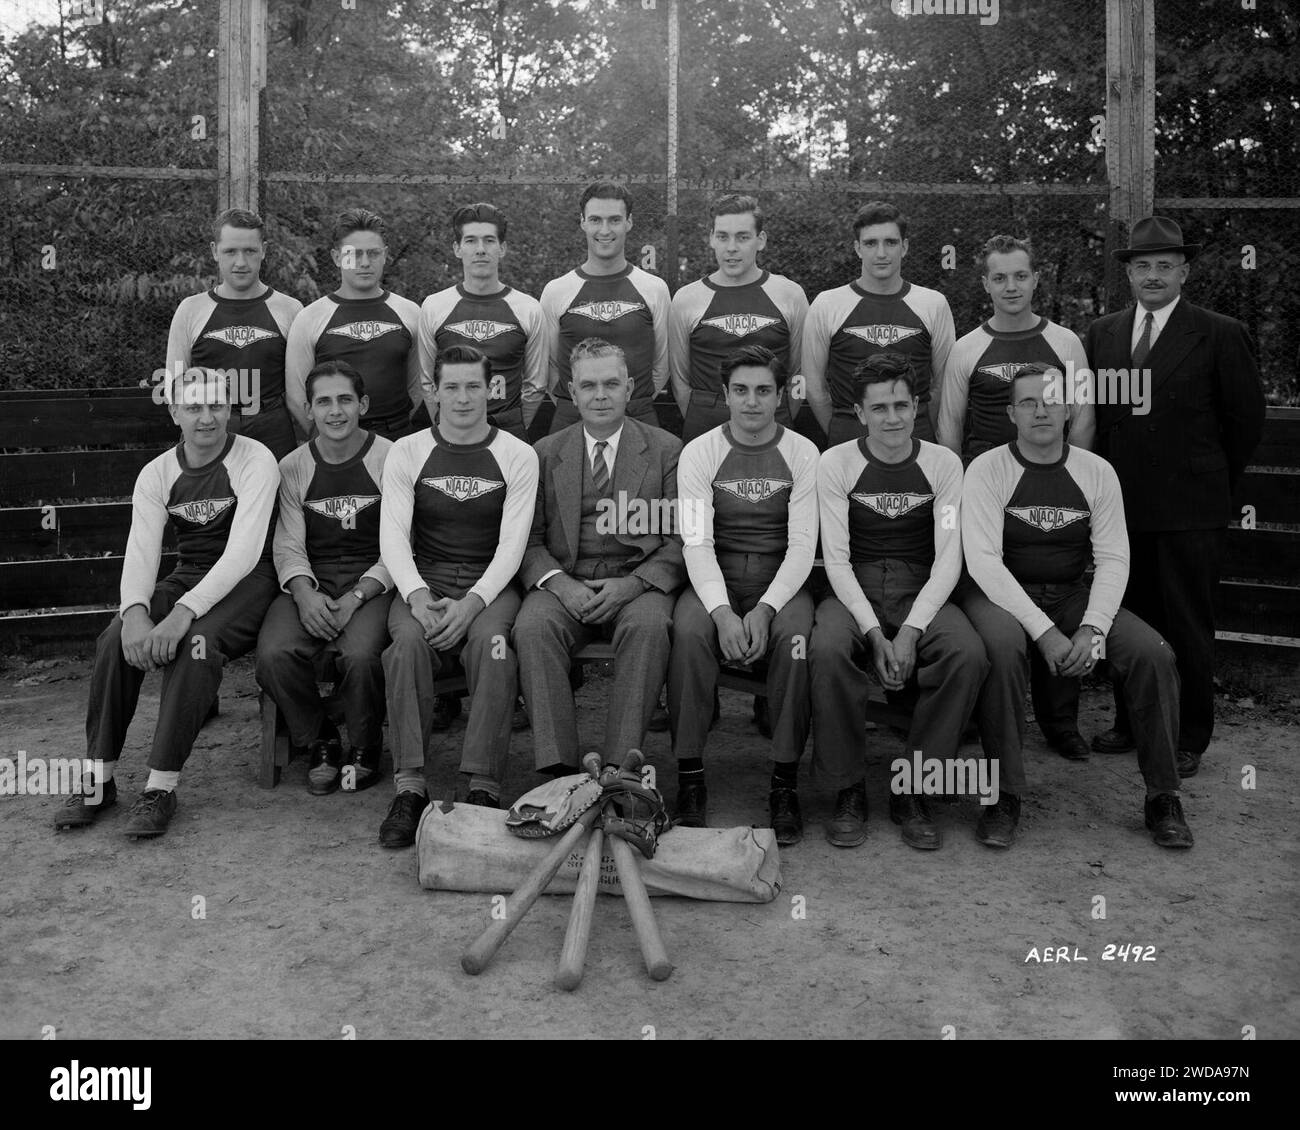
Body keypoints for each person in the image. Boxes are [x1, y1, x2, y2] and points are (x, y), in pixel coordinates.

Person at [960, 364, 1192, 850]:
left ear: (1069, 409)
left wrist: (1092, 629)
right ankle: (1004, 795)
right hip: (1001, 595)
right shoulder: (987, 468)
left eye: (1050, 400)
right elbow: (983, 561)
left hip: (1069, 594)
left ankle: (1163, 795)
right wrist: (1043, 632)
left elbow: (1112, 557)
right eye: (1027, 402)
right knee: (1001, 652)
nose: (1040, 410)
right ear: (1010, 413)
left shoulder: (1096, 471)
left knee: (1153, 653)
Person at [55, 367, 279, 838]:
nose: (207, 417)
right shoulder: (156, 473)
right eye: (194, 407)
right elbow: (142, 551)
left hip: (250, 581)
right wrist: (135, 613)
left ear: (230, 409)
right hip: (191, 576)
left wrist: (182, 614)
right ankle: (98, 778)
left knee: (196, 644)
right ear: (175, 412)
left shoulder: (255, 459)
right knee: (116, 638)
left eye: (217, 405)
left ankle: (160, 786)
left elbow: (242, 554)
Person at [1085, 217, 1266, 777]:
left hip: (1190, 510)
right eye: (1143, 266)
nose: (1154, 275)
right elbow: (1100, 421)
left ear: (1184, 271)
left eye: (1165, 265)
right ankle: (1130, 721)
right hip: (1123, 511)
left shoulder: (1218, 332)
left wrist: (1206, 483)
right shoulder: (1105, 333)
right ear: (1129, 275)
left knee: (1186, 622)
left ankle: (1188, 735)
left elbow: (1244, 423)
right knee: (1128, 621)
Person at [810, 353, 985, 850]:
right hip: (854, 586)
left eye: (902, 406)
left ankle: (917, 785)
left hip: (921, 585)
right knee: (824, 650)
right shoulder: (836, 462)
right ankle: (846, 787)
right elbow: (836, 560)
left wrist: (909, 631)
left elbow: (950, 557)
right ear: (860, 414)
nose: (893, 418)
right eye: (880, 408)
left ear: (916, 409)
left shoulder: (943, 464)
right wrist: (871, 632)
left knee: (967, 654)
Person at [938, 233, 1095, 762]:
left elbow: (1085, 419)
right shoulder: (967, 347)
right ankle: (986, 717)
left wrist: (1070, 479)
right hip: (988, 487)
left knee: (1060, 586)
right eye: (999, 277)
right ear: (985, 283)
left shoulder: (1066, 343)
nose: (1011, 286)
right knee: (994, 599)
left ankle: (1059, 721)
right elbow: (948, 429)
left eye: (1020, 276)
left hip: (1051, 479)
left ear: (1035, 279)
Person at [375, 345, 539, 848]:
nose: (463, 397)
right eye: (452, 386)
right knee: (405, 647)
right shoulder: (407, 451)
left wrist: (473, 604)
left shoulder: (517, 454)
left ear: (492, 389)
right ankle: (410, 786)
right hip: (422, 577)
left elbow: (513, 546)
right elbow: (393, 537)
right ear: (434, 391)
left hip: (489, 584)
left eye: (474, 386)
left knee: (493, 649)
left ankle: (483, 787)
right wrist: (418, 596)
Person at [668, 345, 818, 844]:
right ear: (725, 395)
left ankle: (784, 782)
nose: (751, 402)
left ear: (780, 396)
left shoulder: (801, 453)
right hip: (717, 573)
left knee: (796, 642)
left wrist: (768, 609)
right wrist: (724, 614)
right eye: (740, 391)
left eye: (762, 391)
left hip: (781, 577)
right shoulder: (701, 451)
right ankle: (689, 776)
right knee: (688, 633)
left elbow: (802, 545)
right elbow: (697, 539)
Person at [514, 338, 685, 772]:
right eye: (588, 386)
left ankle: (618, 768)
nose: (601, 395)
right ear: (572, 393)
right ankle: (559, 770)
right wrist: (559, 584)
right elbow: (528, 540)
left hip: (638, 582)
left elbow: (686, 538)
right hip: (565, 581)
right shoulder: (544, 454)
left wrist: (634, 584)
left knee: (650, 626)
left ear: (630, 388)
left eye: (611, 384)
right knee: (532, 626)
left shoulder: (668, 450)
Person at [255, 361, 394, 796]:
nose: (336, 411)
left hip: (372, 579)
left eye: (345, 400)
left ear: (363, 405)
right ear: (309, 410)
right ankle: (321, 740)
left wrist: (357, 595)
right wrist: (303, 593)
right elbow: (288, 544)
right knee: (274, 653)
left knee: (360, 656)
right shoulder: (293, 466)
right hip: (313, 578)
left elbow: (401, 544)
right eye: (324, 402)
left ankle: (366, 747)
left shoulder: (391, 457)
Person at [803, 201, 955, 447]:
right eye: (871, 243)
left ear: (904, 247)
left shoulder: (933, 304)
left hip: (916, 436)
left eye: (891, 242)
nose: (881, 253)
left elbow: (942, 386)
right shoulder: (827, 304)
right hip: (849, 437)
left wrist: (917, 423)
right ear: (857, 248)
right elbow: (814, 388)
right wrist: (845, 429)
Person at [668, 194, 809, 443]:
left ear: (760, 240)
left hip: (773, 415)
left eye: (742, 237)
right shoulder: (686, 299)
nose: (731, 247)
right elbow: (680, 379)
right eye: (723, 237)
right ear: (711, 238)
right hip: (706, 418)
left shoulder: (790, 294)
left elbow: (799, 371)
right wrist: (701, 412)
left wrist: (786, 411)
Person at [165, 209, 303, 459]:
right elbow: (174, 385)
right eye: (230, 251)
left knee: (272, 498)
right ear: (214, 251)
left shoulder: (290, 309)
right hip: (210, 423)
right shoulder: (190, 310)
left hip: (272, 425)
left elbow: (300, 389)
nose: (240, 262)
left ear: (264, 250)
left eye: (250, 251)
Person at [539, 182, 670, 434]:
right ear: (583, 222)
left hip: (638, 414)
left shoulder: (654, 289)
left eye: (614, 220)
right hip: (572, 417)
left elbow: (662, 364)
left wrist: (628, 400)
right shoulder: (557, 291)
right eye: (596, 220)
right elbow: (551, 366)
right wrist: (577, 402)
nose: (605, 230)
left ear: (629, 222)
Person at [285, 207, 422, 442]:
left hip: (396, 438)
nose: (365, 262)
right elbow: (297, 396)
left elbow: (418, 387)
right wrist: (328, 437)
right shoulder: (311, 317)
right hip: (333, 440)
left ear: (385, 255)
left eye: (373, 253)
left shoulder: (410, 313)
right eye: (354, 254)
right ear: (337, 257)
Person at [415, 202, 546, 441]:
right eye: (471, 241)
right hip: (450, 430)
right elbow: (426, 381)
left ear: (502, 248)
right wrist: (447, 420)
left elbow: (536, 385)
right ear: (457, 248)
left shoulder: (528, 308)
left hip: (508, 428)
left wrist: (514, 425)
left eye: (489, 240)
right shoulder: (434, 306)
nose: (480, 249)